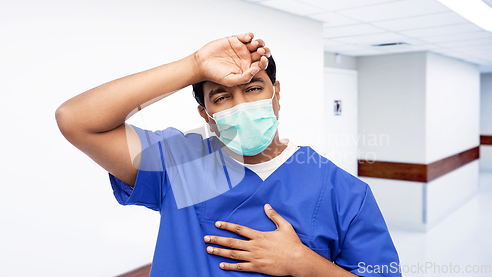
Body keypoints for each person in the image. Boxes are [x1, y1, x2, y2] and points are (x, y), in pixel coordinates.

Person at [56, 32, 401, 277]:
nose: (242, 105)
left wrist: (303, 263)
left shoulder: (344, 192)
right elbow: (76, 120)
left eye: (253, 89)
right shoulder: (179, 163)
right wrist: (194, 66)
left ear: (276, 94)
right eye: (221, 97)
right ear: (205, 114)